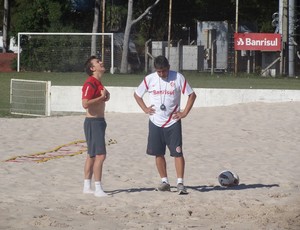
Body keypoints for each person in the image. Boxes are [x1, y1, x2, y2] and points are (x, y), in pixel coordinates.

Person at [134, 55, 196, 194]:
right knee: (158, 153)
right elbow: (137, 95)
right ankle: (165, 181)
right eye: (158, 71)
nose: (161, 74)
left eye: (163, 71)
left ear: (168, 68)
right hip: (155, 122)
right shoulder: (150, 79)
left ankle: (180, 183)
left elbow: (192, 95)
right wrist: (145, 108)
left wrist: (184, 112)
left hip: (173, 122)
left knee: (177, 153)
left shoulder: (178, 77)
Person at [81, 56, 110, 197]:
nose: (101, 62)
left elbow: (103, 98)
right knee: (100, 155)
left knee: (92, 155)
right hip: (93, 122)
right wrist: (100, 98)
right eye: (98, 62)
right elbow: (85, 103)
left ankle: (87, 186)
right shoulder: (90, 83)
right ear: (92, 68)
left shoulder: (98, 83)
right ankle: (98, 188)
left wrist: (105, 96)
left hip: (98, 122)